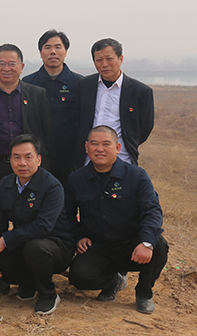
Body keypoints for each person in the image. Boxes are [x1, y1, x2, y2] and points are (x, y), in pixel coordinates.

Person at [66, 125, 168, 314]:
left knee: (159, 246)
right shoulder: (76, 179)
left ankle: (144, 293)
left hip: (131, 245)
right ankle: (113, 282)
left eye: (106, 144)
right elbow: (66, 214)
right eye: (94, 144)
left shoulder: (137, 176)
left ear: (118, 148)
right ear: (86, 147)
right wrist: (78, 236)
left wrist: (146, 242)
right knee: (79, 277)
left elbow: (152, 210)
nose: (100, 149)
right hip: (98, 247)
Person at [0, 134, 74, 315]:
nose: (22, 163)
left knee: (34, 248)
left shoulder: (52, 186)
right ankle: (29, 284)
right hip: (24, 242)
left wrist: (5, 240)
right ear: (10, 161)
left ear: (39, 160)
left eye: (28, 157)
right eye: (17, 157)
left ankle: (48, 293)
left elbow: (43, 226)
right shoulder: (6, 184)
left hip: (56, 246)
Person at [0, 44, 54, 225]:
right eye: (1, 63)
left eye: (12, 64)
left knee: (30, 217)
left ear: (21, 67)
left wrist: (45, 169)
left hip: (29, 166)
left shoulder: (37, 95)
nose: (6, 68)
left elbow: (47, 135)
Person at [76, 38, 154, 166]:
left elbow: (144, 128)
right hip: (88, 160)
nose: (104, 64)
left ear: (120, 59)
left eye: (109, 59)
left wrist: (127, 142)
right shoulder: (84, 85)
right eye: (99, 60)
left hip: (123, 158)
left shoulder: (140, 91)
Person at [23, 30, 82, 185]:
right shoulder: (27, 83)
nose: (53, 52)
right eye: (47, 47)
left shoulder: (79, 83)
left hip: (69, 158)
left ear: (66, 51)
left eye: (58, 47)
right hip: (36, 157)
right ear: (41, 53)